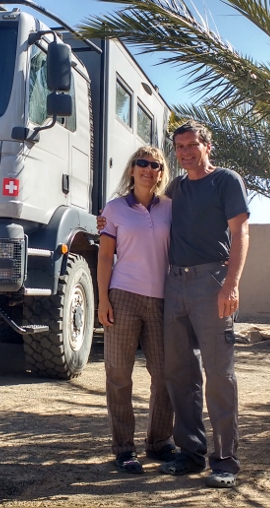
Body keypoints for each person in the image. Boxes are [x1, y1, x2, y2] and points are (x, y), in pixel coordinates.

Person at [159, 120, 249, 488]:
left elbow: (240, 231)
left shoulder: (226, 180)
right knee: (180, 373)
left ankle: (225, 461)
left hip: (212, 282)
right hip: (174, 283)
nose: (184, 152)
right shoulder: (176, 188)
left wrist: (231, 284)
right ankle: (191, 452)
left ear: (207, 146)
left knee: (219, 374)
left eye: (191, 145)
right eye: (179, 147)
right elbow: (146, 211)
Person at [96, 146, 177, 475]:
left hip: (162, 300)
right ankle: (124, 449)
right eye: (142, 163)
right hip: (123, 297)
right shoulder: (114, 209)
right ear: (132, 169)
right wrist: (103, 299)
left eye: (155, 165)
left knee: (165, 374)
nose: (148, 169)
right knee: (118, 375)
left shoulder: (171, 208)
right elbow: (105, 256)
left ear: (161, 173)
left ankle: (159, 442)